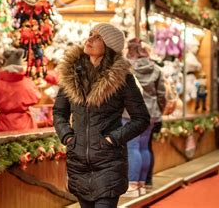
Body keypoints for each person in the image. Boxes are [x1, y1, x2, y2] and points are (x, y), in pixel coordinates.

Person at [53, 23, 150, 208]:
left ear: (109, 47)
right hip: (79, 163)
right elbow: (59, 112)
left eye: (97, 37)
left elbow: (141, 118)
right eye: (90, 34)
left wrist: (113, 139)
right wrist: (67, 136)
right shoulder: (71, 76)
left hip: (109, 162)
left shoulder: (122, 79)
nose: (89, 39)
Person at [123, 38, 166, 197]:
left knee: (132, 147)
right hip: (151, 113)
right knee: (143, 147)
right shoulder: (155, 68)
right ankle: (142, 184)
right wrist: (158, 110)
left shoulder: (126, 67)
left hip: (131, 113)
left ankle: (132, 185)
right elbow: (162, 94)